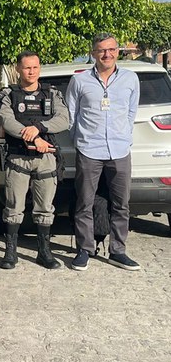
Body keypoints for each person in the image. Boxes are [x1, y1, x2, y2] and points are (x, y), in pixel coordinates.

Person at [65, 32, 141, 272]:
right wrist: (82, 139)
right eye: (101, 50)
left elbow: (131, 112)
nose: (107, 54)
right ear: (93, 53)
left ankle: (118, 251)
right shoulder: (79, 81)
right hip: (89, 150)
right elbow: (71, 115)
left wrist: (124, 135)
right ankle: (84, 250)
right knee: (84, 203)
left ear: (117, 51)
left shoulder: (130, 79)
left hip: (119, 150)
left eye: (111, 49)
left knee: (121, 204)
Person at [0, 51, 68, 270]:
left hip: (46, 158)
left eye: (35, 67)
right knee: (13, 205)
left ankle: (44, 252)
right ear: (18, 68)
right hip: (18, 157)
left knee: (45, 207)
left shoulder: (51, 94)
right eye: (27, 67)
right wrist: (35, 138)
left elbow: (64, 119)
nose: (31, 71)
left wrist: (39, 128)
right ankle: (10, 252)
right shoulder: (7, 95)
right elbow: (6, 121)